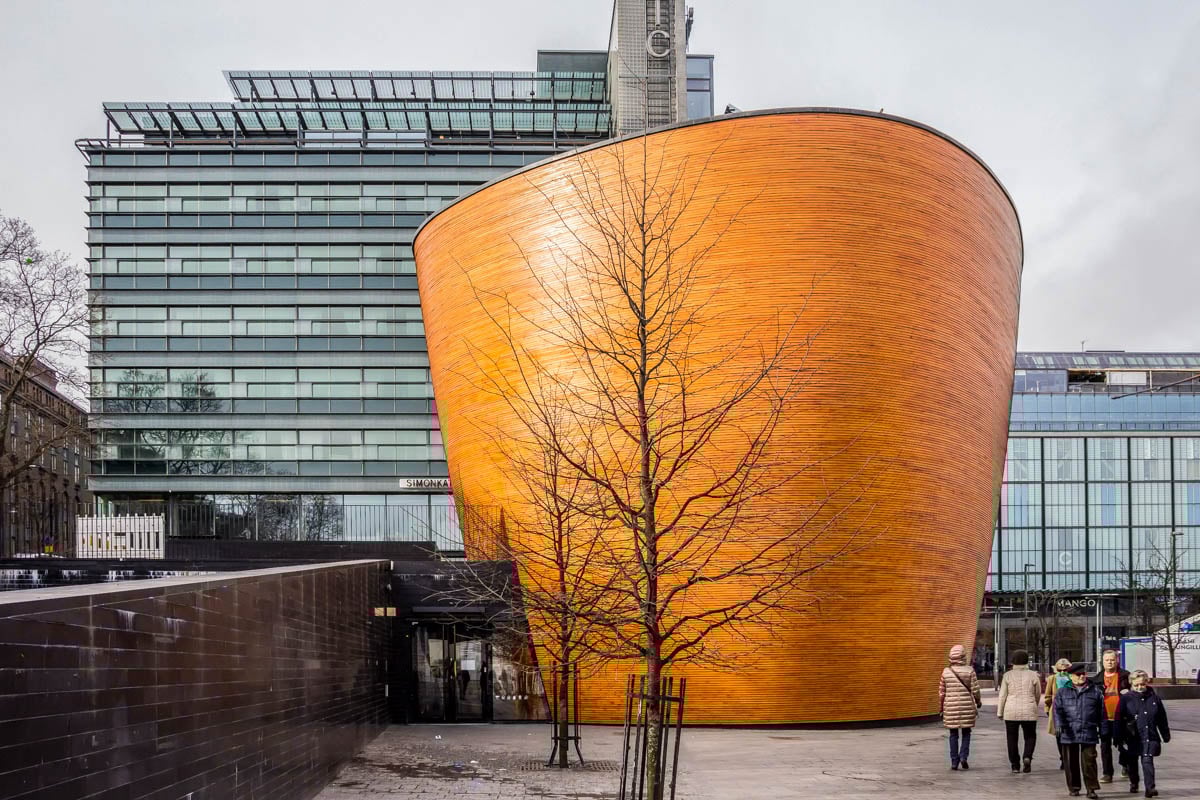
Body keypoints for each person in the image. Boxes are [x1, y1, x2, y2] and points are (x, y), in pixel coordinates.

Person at [1115, 670, 1170, 798]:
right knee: (1132, 761)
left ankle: (1150, 788)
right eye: (1137, 685)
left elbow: (1162, 717)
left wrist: (1165, 734)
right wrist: (1118, 737)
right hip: (1132, 735)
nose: (1140, 687)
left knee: (1147, 761)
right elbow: (1119, 718)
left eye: (1142, 684)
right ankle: (1134, 783)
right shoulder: (1126, 699)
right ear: (1132, 684)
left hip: (1149, 734)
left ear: (1146, 683)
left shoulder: (1154, 698)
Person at [1054, 661, 1104, 799]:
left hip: (1088, 730)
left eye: (1084, 674)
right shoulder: (1062, 692)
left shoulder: (1095, 691)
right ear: (1071, 676)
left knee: (1089, 761)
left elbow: (1101, 712)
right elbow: (1057, 710)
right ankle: (1074, 787)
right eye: (1078, 674)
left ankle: (1091, 788)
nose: (1082, 677)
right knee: (1070, 762)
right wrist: (1059, 724)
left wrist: (1103, 728)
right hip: (1069, 732)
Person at [997, 649, 1042, 773]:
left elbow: (1002, 695)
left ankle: (1015, 765)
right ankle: (1027, 756)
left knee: (1012, 738)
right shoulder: (1033, 675)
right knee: (1030, 736)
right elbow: (1037, 693)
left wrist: (1000, 712)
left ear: (1013, 661)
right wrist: (1034, 704)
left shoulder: (1007, 675)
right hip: (1029, 709)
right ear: (1027, 660)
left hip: (1011, 711)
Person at [939, 644, 981, 770]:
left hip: (950, 707)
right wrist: (978, 702)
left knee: (953, 734)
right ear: (963, 656)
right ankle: (963, 756)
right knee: (966, 732)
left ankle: (953, 761)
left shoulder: (946, 672)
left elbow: (941, 692)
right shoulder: (970, 671)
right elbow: (975, 690)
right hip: (967, 706)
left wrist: (941, 707)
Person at [1091, 648, 1131, 783]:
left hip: (1122, 717)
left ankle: (1125, 765)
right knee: (1105, 746)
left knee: (1123, 744)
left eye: (1112, 660)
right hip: (1104, 718)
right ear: (1102, 662)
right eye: (1107, 660)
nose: (1110, 662)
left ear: (1117, 660)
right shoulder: (1096, 680)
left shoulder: (1126, 676)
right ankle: (1107, 773)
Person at [1044, 657, 1073, 769]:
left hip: (1070, 709)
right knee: (1059, 734)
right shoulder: (1052, 678)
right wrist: (1047, 708)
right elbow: (1047, 695)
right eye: (1060, 670)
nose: (1062, 672)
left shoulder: (1073, 678)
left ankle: (1067, 757)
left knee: (1068, 735)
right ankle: (1063, 758)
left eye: (1065, 670)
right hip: (1057, 709)